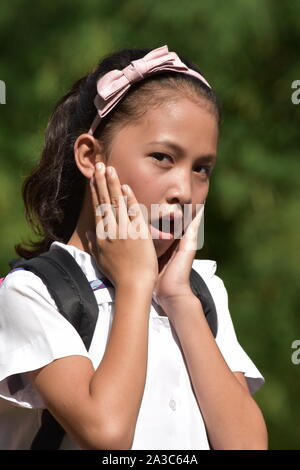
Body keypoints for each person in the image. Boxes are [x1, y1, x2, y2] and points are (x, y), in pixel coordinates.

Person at [0, 45, 268, 450]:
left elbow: (247, 445)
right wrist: (135, 282)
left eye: (202, 169)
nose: (184, 190)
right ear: (91, 156)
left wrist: (177, 298)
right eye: (162, 157)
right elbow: (107, 436)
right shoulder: (35, 293)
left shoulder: (200, 293)